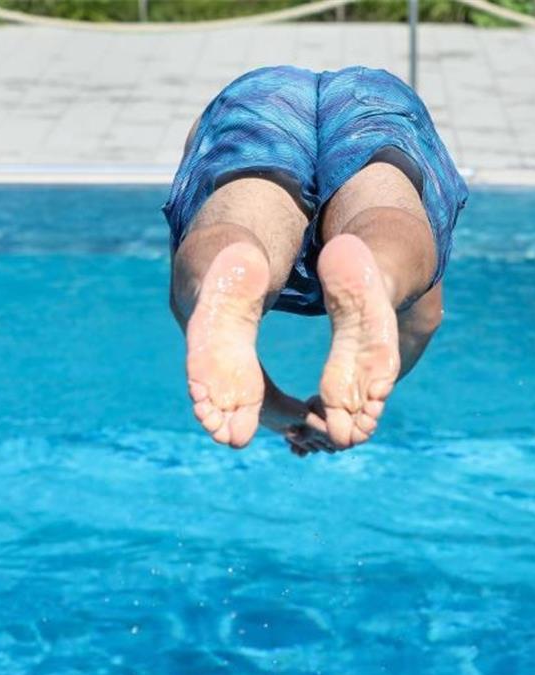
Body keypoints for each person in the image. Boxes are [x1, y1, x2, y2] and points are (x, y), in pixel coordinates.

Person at [163, 65, 468, 455]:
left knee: (246, 205)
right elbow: (423, 317)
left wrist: (272, 408)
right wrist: (350, 398)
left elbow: (184, 299)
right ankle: (379, 270)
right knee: (380, 202)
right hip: (372, 99)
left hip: (263, 96)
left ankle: (230, 265)